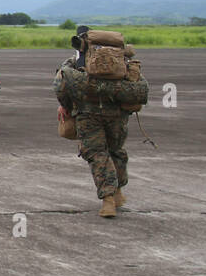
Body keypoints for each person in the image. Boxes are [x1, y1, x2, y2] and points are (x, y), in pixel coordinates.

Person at [53, 25, 144, 217]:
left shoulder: (76, 62)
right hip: (117, 115)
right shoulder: (120, 60)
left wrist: (66, 106)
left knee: (97, 154)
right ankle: (118, 192)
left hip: (88, 115)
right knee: (116, 151)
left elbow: (61, 86)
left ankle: (108, 199)